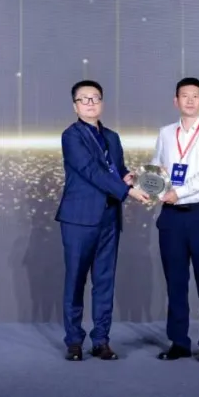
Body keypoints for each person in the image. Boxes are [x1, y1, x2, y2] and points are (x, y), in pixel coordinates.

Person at [55, 80, 150, 361]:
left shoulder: (112, 137)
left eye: (95, 98)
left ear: (102, 103)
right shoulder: (71, 136)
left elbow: (115, 170)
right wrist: (127, 191)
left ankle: (101, 341)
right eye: (84, 99)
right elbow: (90, 171)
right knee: (75, 281)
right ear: (75, 106)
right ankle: (74, 341)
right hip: (79, 219)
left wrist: (128, 177)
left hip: (109, 217)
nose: (90, 103)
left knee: (105, 281)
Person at [151, 77, 199, 363]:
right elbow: (158, 165)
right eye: (185, 95)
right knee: (175, 283)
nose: (190, 100)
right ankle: (179, 342)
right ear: (176, 101)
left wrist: (177, 192)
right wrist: (145, 182)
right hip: (171, 218)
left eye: (196, 96)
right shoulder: (166, 133)